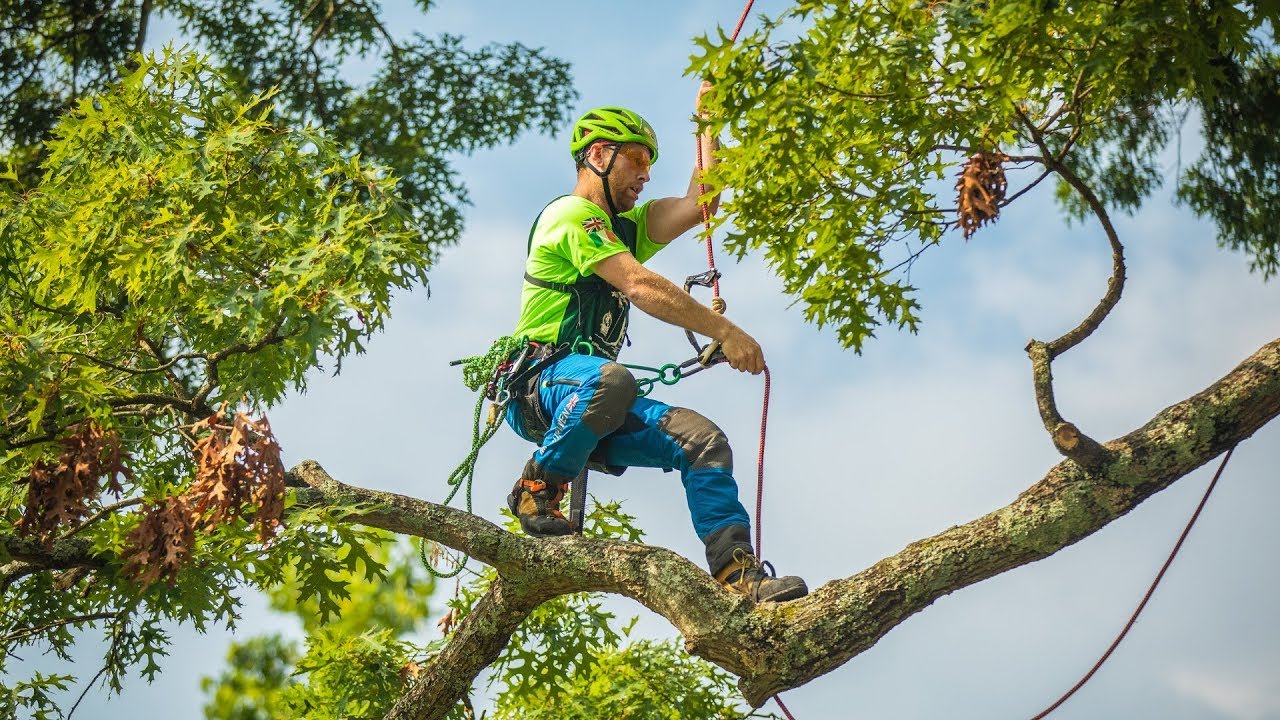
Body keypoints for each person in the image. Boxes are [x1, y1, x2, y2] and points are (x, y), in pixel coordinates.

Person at [501, 85, 807, 603]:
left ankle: (738, 577)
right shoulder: (570, 216)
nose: (646, 175)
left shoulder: (625, 228)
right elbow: (639, 284)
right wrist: (725, 331)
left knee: (703, 441)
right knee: (611, 380)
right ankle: (538, 485)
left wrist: (708, 121)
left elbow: (699, 204)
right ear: (599, 155)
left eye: (650, 164)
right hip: (542, 386)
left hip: (593, 398)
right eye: (638, 160)